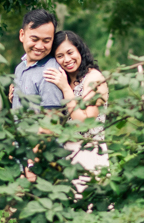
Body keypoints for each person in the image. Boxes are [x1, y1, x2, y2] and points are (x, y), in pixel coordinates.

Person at [43, 30, 108, 191]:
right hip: (64, 154)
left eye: (70, 52)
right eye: (60, 56)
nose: (67, 60)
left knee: (92, 207)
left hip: (90, 151)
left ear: (80, 50)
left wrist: (66, 89)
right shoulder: (61, 80)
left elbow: (86, 122)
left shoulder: (93, 78)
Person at [9, 9, 64, 110]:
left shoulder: (50, 72)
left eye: (46, 41)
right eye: (34, 39)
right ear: (22, 35)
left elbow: (52, 120)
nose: (39, 46)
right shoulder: (20, 68)